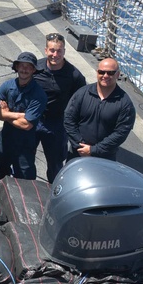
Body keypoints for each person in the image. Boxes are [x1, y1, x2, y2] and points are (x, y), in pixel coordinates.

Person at [33, 33, 87, 182]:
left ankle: (54, 193)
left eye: (59, 51)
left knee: (55, 165)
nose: (55, 54)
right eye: (52, 50)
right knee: (24, 159)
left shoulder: (74, 76)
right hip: (34, 121)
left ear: (64, 51)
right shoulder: (36, 68)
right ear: (46, 50)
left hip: (57, 126)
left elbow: (82, 102)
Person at [65, 57, 137, 161]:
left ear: (117, 74)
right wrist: (81, 146)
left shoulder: (125, 103)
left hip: (105, 157)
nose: (105, 76)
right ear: (97, 72)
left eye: (110, 73)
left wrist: (94, 150)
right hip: (78, 152)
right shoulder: (82, 93)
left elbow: (121, 133)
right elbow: (69, 119)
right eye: (102, 72)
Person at [0, 51, 47, 180]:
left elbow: (26, 124)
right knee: (1, 172)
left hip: (25, 143)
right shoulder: (7, 86)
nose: (24, 69)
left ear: (34, 70)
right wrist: (18, 115)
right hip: (5, 138)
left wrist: (5, 114)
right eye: (22, 65)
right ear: (16, 67)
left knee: (25, 178)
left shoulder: (39, 95)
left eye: (28, 67)